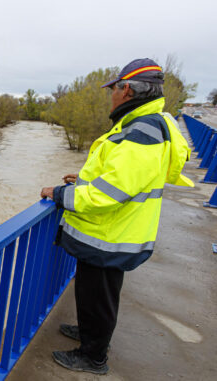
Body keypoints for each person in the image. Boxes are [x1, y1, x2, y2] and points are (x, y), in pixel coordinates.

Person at [40, 58, 193, 375]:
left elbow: (109, 193)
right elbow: (120, 178)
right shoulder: (143, 123)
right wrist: (83, 181)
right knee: (91, 292)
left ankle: (93, 357)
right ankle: (89, 334)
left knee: (100, 297)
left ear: (128, 90)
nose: (110, 94)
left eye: (114, 88)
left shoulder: (142, 131)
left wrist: (59, 194)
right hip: (111, 231)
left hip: (112, 234)